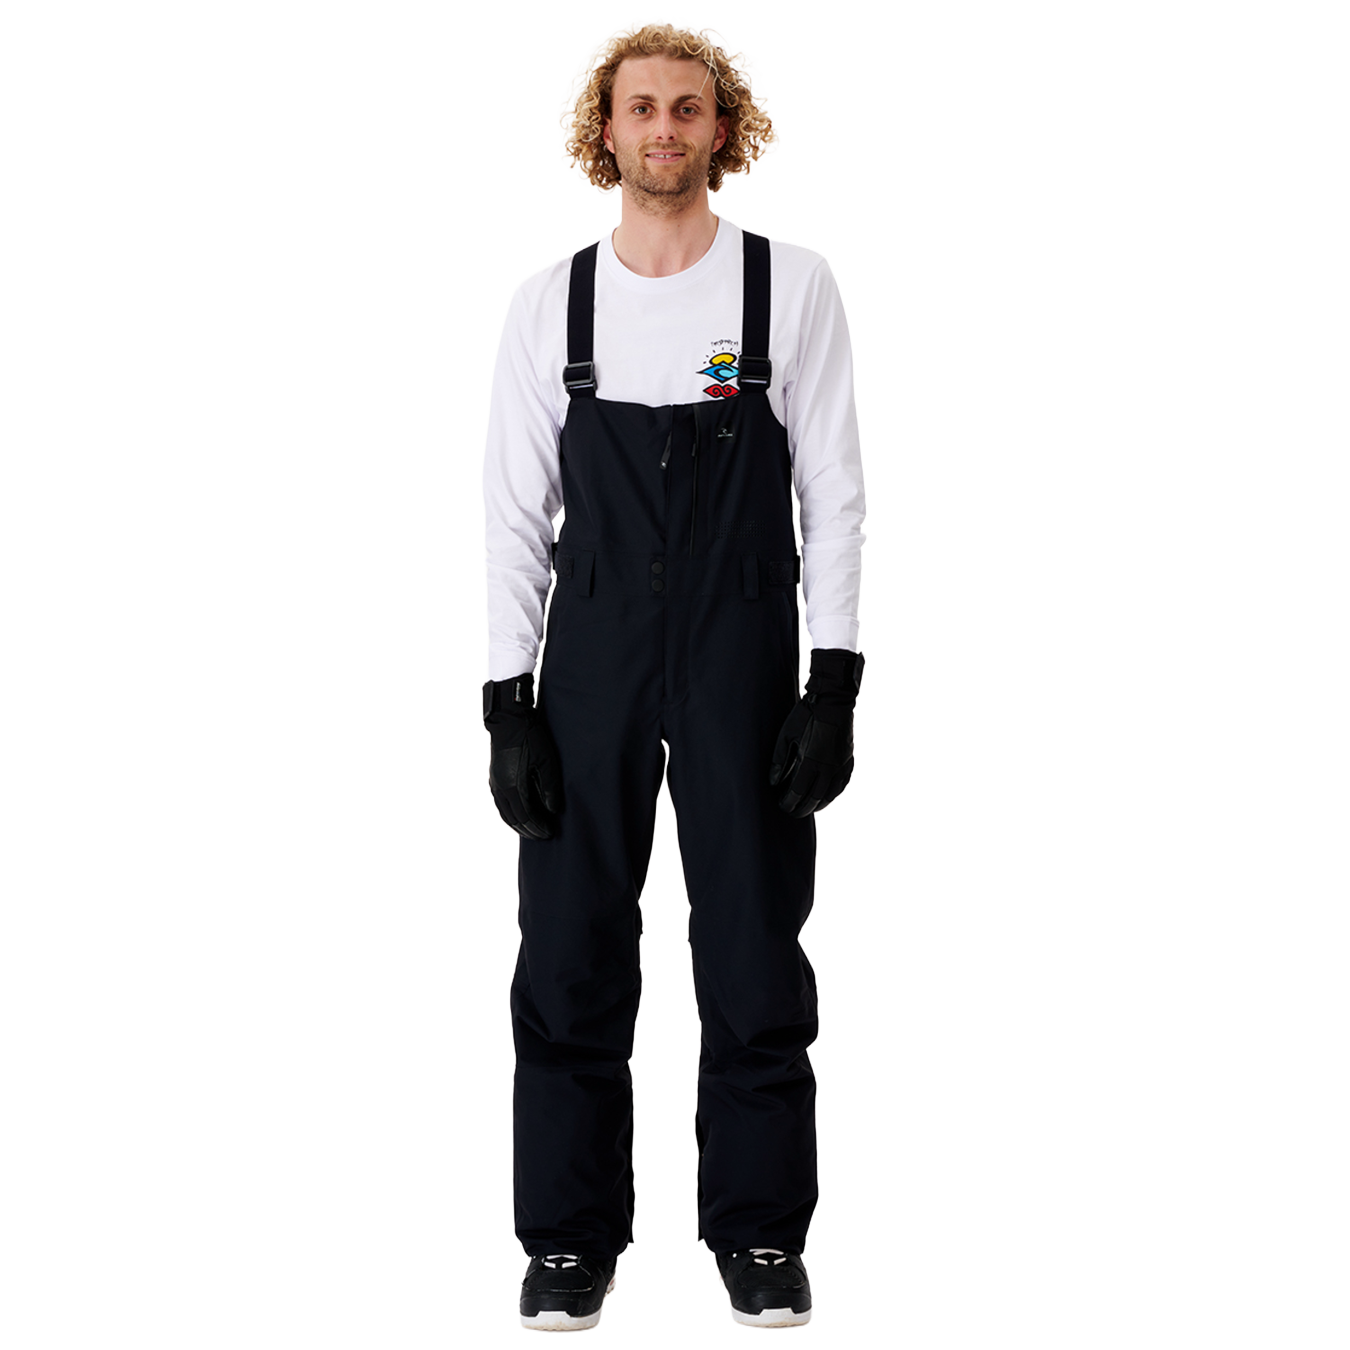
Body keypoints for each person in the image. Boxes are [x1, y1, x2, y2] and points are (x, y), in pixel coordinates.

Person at [482, 21, 866, 1331]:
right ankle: (566, 1241)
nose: (664, 127)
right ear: (606, 130)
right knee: (569, 948)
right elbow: (510, 516)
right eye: (640, 107)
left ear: (722, 127)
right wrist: (505, 702)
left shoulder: (788, 287)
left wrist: (834, 681)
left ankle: (759, 1233)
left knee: (753, 944)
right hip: (587, 655)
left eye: (687, 107)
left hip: (741, 650)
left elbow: (835, 494)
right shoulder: (556, 301)